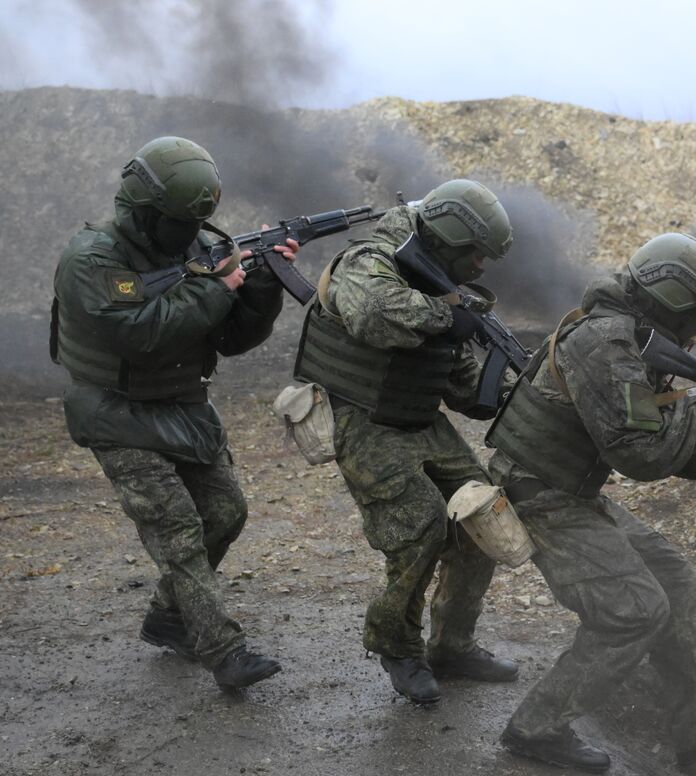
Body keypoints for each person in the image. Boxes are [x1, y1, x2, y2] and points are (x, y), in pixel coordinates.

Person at [487, 232, 696, 773]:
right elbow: (642, 456)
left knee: (676, 583)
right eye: (695, 316)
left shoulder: (638, 336)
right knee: (634, 611)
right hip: (537, 493)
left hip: (571, 490)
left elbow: (676, 455)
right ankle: (536, 727)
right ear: (672, 300)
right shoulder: (606, 343)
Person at [51, 136, 295, 689]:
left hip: (183, 406)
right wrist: (218, 287)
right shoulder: (91, 260)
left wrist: (258, 289)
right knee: (179, 530)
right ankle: (225, 652)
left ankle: (168, 616)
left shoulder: (191, 249)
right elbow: (140, 335)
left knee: (226, 512)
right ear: (143, 210)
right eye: (177, 221)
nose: (188, 235)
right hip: (114, 411)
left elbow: (231, 340)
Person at [294, 179, 519, 705]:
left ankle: (453, 643)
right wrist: (449, 317)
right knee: (421, 524)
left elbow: (465, 389)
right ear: (445, 237)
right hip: (361, 415)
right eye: (475, 254)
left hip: (418, 417)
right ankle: (396, 643)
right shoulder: (370, 259)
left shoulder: (443, 283)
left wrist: (514, 389)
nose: (481, 267)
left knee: (484, 514)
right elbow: (373, 315)